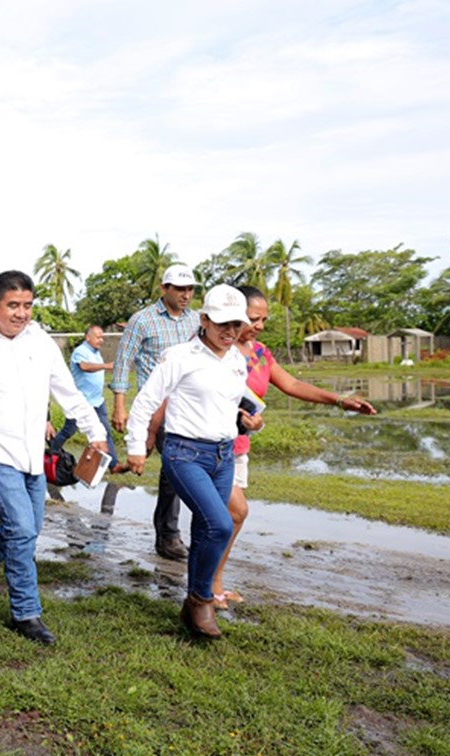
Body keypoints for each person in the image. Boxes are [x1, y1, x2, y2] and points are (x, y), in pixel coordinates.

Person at [0, 271, 109, 646]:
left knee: (25, 532)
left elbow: (67, 392)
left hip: (33, 453)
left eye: (27, 306)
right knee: (20, 530)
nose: (21, 314)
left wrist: (95, 433)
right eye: (12, 305)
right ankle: (26, 613)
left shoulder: (41, 341)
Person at [208, 286, 377, 607]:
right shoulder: (216, 350)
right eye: (253, 318)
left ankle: (211, 581)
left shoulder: (259, 353)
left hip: (239, 447)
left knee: (229, 517)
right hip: (209, 446)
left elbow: (292, 384)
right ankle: (208, 586)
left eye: (264, 320)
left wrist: (340, 401)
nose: (259, 325)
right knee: (235, 511)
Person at [124, 284, 260, 639]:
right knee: (220, 524)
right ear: (204, 320)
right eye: (221, 324)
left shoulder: (235, 360)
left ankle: (192, 606)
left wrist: (247, 416)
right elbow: (145, 401)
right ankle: (201, 601)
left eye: (236, 324)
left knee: (204, 528)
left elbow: (231, 402)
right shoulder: (179, 356)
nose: (230, 332)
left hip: (222, 455)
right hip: (184, 453)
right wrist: (136, 445)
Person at [110, 263, 200, 560]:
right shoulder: (143, 321)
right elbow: (124, 361)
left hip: (187, 406)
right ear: (165, 289)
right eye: (180, 289)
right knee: (176, 468)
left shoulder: (197, 321)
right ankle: (169, 536)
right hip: (155, 408)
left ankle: (124, 467)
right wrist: (120, 405)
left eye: (190, 289)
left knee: (175, 469)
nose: (186, 295)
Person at [49, 325, 116, 467]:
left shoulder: (96, 352)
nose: (101, 340)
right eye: (98, 337)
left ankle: (113, 465)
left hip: (97, 400)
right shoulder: (80, 352)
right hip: (81, 402)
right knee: (68, 431)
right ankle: (51, 454)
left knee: (105, 432)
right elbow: (84, 367)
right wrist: (106, 366)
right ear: (88, 337)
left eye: (102, 337)